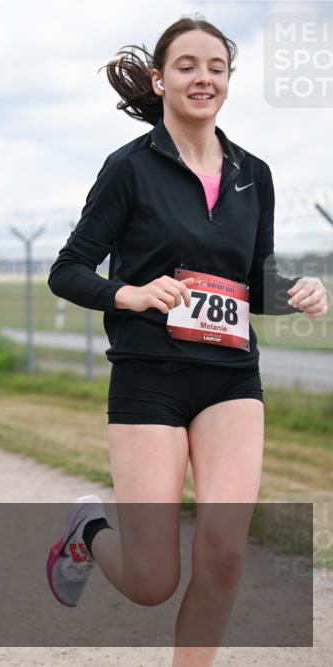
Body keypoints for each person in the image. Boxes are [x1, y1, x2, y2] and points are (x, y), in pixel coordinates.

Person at [45, 17, 328, 667]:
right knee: (151, 580)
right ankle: (88, 528)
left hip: (231, 375)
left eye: (216, 67)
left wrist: (298, 292)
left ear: (229, 80)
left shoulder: (253, 173)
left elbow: (255, 281)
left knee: (225, 553)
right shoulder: (130, 169)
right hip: (151, 374)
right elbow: (69, 269)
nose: (203, 78)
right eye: (187, 66)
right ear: (159, 79)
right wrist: (132, 293)